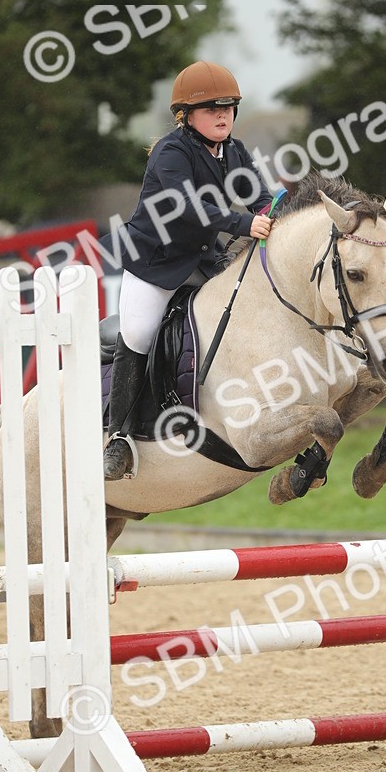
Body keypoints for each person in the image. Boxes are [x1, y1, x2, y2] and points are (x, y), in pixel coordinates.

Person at [103, 60, 274, 481]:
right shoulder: (171, 152)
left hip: (201, 258)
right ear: (186, 116)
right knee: (139, 333)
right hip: (155, 262)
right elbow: (189, 206)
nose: (222, 116)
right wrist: (244, 224)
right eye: (212, 109)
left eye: (228, 108)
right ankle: (118, 437)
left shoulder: (233, 151)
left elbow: (260, 198)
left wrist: (279, 215)